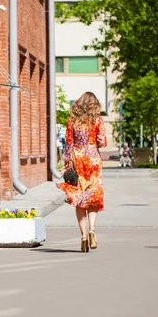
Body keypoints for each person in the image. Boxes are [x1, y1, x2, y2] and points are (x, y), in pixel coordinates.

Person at [57, 92, 107, 252]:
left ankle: (84, 236)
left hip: (77, 158)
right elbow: (103, 142)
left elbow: (68, 144)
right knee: (93, 196)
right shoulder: (98, 120)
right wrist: (93, 145)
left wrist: (66, 163)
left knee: (80, 198)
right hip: (93, 160)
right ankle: (92, 229)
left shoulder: (72, 120)